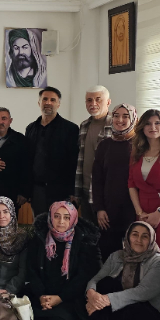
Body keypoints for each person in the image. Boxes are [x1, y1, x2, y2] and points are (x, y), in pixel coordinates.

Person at [25, 201, 101, 320]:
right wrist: (41, 296)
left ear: (73, 219)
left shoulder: (84, 240)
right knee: (21, 313)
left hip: (69, 297)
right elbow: (31, 269)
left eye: (66, 217)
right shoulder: (40, 236)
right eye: (57, 216)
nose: (61, 221)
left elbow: (84, 277)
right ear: (50, 217)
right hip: (42, 295)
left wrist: (59, 298)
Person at [127, 110, 160, 262]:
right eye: (148, 124)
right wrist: (139, 212)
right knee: (142, 252)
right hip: (142, 210)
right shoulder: (136, 153)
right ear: (142, 128)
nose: (153, 127)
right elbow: (131, 183)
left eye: (157, 123)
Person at [91, 104, 139, 258]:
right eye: (116, 116)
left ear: (134, 119)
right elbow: (97, 180)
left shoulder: (140, 145)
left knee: (132, 253)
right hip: (108, 211)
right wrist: (99, 208)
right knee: (108, 254)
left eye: (125, 116)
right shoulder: (104, 145)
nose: (120, 120)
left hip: (134, 210)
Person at [25, 87, 79, 215]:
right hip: (37, 189)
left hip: (61, 190)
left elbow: (74, 162)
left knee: (59, 225)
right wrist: (26, 190)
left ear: (58, 104)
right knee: (39, 224)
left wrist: (73, 191)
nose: (48, 102)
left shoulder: (70, 129)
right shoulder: (31, 128)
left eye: (52, 100)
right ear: (39, 103)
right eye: (45, 99)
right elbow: (27, 160)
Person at [73, 86, 113, 220]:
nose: (93, 103)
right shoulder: (84, 125)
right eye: (89, 100)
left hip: (105, 192)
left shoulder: (116, 125)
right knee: (88, 230)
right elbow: (80, 159)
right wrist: (77, 192)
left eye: (98, 99)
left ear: (108, 102)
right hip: (85, 190)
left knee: (106, 231)